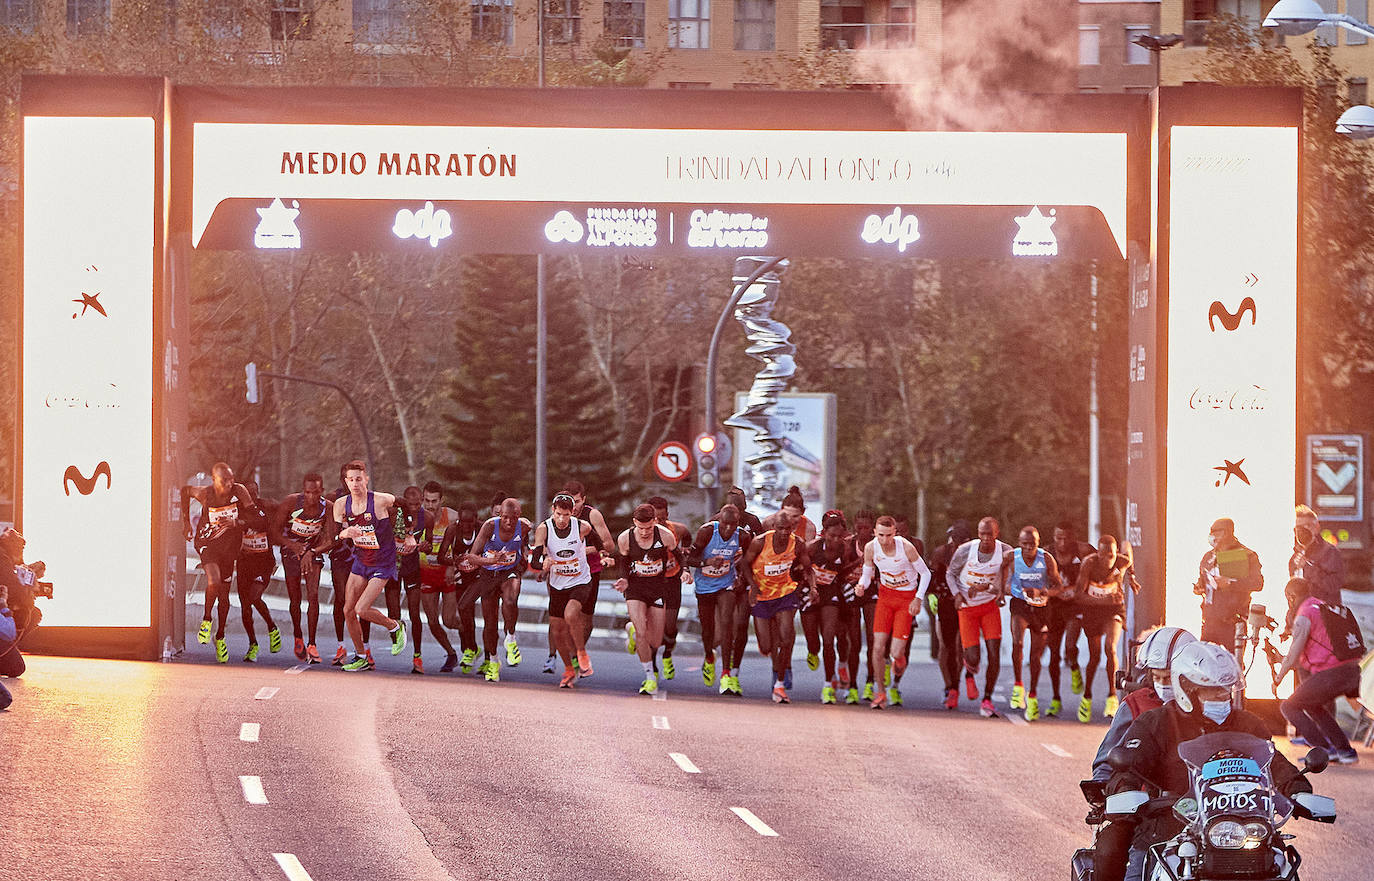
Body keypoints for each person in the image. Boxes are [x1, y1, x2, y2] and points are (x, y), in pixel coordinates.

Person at [1108, 642, 1311, 881]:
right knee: (1136, 873)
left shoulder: (1249, 724)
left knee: (1281, 866)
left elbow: (1273, 762)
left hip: (1245, 827)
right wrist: (1126, 790)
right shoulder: (1156, 722)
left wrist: (1297, 789)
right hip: (1169, 828)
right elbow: (1127, 767)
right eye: (1213, 690)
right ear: (1187, 689)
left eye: (1226, 690)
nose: (1222, 696)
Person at [1088, 626, 1196, 881]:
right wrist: (1115, 793)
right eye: (1157, 676)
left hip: (1205, 806)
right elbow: (1106, 761)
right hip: (1143, 810)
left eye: (1169, 676)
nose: (1163, 684)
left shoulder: (1206, 708)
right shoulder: (1136, 703)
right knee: (1110, 849)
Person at [332, 460, 410, 671]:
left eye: (359, 479)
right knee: (348, 610)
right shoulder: (341, 505)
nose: (356, 483)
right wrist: (345, 533)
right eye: (351, 480)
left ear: (366, 479)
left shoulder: (380, 500)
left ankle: (394, 626)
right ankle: (361, 656)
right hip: (361, 560)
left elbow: (405, 504)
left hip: (383, 562)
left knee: (362, 608)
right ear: (346, 482)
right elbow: (334, 536)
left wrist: (409, 534)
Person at [1274, 577, 1361, 764]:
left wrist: (1278, 678)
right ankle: (1345, 751)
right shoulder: (1322, 606)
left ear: (1291, 596)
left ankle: (1324, 750)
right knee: (1312, 705)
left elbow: (1294, 654)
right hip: (1351, 669)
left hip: (1332, 672)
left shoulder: (1304, 615)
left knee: (1288, 706)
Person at [740, 499, 815, 704]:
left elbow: (808, 567)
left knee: (787, 638)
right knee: (766, 645)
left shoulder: (797, 543)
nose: (784, 532)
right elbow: (744, 563)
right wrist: (752, 586)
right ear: (774, 527)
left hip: (785, 593)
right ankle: (777, 666)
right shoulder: (761, 542)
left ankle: (780, 684)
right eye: (780, 528)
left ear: (792, 528)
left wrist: (813, 587)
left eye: (788, 528)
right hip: (762, 595)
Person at [182, 463, 257, 664]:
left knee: (224, 597)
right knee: (213, 581)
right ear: (214, 480)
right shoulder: (205, 493)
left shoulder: (239, 491)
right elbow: (185, 491)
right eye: (224, 480)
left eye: (231, 479)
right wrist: (186, 522)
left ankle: (220, 636)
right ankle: (207, 619)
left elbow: (255, 518)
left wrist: (238, 523)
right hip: (207, 543)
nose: (229, 483)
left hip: (229, 548)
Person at [855, 514, 928, 709]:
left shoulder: (906, 547)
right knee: (877, 647)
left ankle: (899, 658)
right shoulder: (870, 548)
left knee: (896, 651)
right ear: (874, 533)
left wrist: (918, 598)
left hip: (906, 599)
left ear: (895, 533)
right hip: (886, 598)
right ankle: (880, 692)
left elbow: (926, 573)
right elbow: (868, 573)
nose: (885, 540)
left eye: (888, 535)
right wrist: (861, 585)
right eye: (881, 535)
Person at [530, 493, 600, 687]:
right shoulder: (544, 529)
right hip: (558, 583)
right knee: (558, 630)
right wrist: (543, 564)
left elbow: (600, 544)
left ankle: (582, 652)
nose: (562, 519)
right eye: (558, 514)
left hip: (580, 580)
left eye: (566, 515)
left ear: (572, 513)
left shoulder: (582, 527)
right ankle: (569, 668)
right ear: (553, 511)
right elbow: (534, 560)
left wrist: (599, 554)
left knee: (571, 614)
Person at [459, 498, 532, 682]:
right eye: (505, 518)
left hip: (509, 571)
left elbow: (528, 546)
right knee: (490, 624)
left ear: (519, 516)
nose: (509, 522)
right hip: (489, 574)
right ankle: (493, 660)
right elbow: (472, 557)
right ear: (500, 515)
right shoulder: (490, 527)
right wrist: (491, 561)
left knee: (510, 599)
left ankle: (511, 638)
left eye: (513, 518)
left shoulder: (524, 527)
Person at [685, 503, 753, 695]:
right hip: (705, 586)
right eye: (725, 524)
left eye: (733, 524)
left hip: (726, 585)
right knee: (708, 631)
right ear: (719, 521)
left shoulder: (743, 536)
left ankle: (726, 674)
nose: (729, 529)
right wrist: (707, 562)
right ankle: (708, 656)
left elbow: (747, 560)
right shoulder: (707, 532)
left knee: (726, 624)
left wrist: (741, 577)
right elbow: (689, 559)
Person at [947, 516, 1010, 717]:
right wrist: (957, 594)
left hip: (989, 607)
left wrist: (998, 592)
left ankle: (987, 699)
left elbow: (1009, 581)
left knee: (994, 653)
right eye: (982, 533)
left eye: (989, 534)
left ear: (996, 534)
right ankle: (970, 669)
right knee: (973, 656)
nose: (985, 538)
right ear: (977, 533)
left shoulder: (1006, 552)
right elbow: (950, 574)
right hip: (967, 608)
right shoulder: (966, 550)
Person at [613, 504, 679, 695]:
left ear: (655, 522)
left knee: (656, 642)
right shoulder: (625, 538)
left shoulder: (665, 536)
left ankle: (632, 629)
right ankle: (650, 676)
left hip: (658, 589)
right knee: (642, 633)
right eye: (640, 528)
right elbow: (624, 562)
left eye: (648, 528)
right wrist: (624, 579)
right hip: (635, 589)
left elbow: (679, 558)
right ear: (634, 523)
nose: (644, 532)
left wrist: (684, 573)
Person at [1000, 526, 1062, 721]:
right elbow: (1000, 570)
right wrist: (1002, 590)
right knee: (1017, 642)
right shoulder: (1012, 557)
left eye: (1032, 544)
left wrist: (1043, 592)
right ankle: (1018, 686)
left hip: (1042, 609)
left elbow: (1058, 586)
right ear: (1019, 544)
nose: (1028, 548)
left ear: (1038, 543)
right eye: (1025, 544)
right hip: (1019, 604)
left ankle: (1032, 695)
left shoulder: (1047, 559)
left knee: (1035, 656)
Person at [1075, 535, 1137, 723]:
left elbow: (1128, 547)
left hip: (1114, 610)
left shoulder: (1122, 561)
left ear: (1115, 553)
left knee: (1110, 648)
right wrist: (1102, 599)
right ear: (1098, 554)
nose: (1107, 561)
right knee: (1094, 657)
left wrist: (1132, 575)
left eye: (1111, 556)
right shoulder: (1088, 564)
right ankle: (1086, 696)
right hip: (1092, 610)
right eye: (1103, 556)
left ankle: (1112, 697)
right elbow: (1079, 596)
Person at [273, 473, 331, 663]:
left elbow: (331, 540)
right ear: (303, 490)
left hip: (313, 552)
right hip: (291, 552)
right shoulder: (291, 503)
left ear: (321, 491)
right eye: (307, 492)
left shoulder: (327, 508)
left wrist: (312, 551)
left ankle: (312, 644)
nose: (311, 497)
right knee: (295, 597)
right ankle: (298, 635)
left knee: (313, 595)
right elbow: (273, 531)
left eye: (315, 492)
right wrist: (292, 545)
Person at [807, 511, 862, 705]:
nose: (836, 539)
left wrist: (857, 563)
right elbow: (801, 567)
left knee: (829, 638)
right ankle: (812, 650)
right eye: (832, 536)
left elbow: (844, 571)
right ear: (824, 533)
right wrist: (810, 584)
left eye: (840, 536)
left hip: (832, 593)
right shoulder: (813, 548)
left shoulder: (845, 549)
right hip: (812, 592)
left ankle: (828, 684)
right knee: (814, 640)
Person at [563, 480, 616, 656]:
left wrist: (581, 551)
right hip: (566, 572)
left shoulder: (592, 515)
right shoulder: (559, 514)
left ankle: (577, 652)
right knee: (566, 615)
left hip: (590, 571)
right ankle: (567, 657)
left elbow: (609, 545)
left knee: (586, 618)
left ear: (583, 499)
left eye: (577, 501)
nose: (574, 506)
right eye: (570, 501)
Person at [1192, 517, 1263, 648]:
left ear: (1225, 532)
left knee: (1232, 665)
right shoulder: (1208, 556)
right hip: (1209, 623)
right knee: (1205, 662)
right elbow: (1202, 580)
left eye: (1214, 531)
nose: (1211, 535)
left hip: (1231, 625)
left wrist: (1231, 584)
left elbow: (1257, 583)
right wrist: (1199, 587)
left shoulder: (1246, 555)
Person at [1047, 521, 1093, 716]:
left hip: (1075, 604)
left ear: (1073, 537)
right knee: (1053, 654)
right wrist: (1054, 593)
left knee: (1070, 646)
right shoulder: (1046, 553)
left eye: (1066, 538)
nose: (1063, 542)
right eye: (1059, 538)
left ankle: (1074, 666)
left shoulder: (1084, 550)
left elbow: (1101, 568)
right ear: (1053, 537)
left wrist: (1077, 591)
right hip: (1054, 605)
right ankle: (1055, 699)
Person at [235, 480, 282, 662]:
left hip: (263, 561)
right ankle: (253, 644)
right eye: (248, 493)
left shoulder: (265, 506)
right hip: (245, 561)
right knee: (245, 607)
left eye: (255, 493)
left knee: (255, 597)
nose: (252, 496)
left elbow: (282, 512)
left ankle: (272, 627)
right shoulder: (236, 507)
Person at [416, 481, 460, 673]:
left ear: (441, 500)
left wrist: (452, 565)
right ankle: (451, 654)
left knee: (449, 620)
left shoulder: (451, 516)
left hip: (447, 574)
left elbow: (460, 545)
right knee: (432, 621)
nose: (430, 505)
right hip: (426, 574)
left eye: (434, 501)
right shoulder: (417, 516)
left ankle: (470, 642)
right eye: (427, 500)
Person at [648, 497, 694, 681]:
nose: (657, 523)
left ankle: (667, 654)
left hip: (672, 580)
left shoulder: (677, 529)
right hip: (652, 582)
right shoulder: (642, 532)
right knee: (653, 628)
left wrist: (686, 551)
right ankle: (651, 665)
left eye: (661, 519)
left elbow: (688, 536)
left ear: (667, 515)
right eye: (654, 519)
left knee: (669, 626)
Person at [926, 520, 970, 710]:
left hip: (965, 603)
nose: (957, 544)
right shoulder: (941, 552)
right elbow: (931, 578)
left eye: (961, 541)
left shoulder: (972, 553)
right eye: (954, 540)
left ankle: (955, 685)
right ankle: (948, 686)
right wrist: (931, 597)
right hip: (944, 602)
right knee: (946, 646)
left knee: (960, 647)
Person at [437, 502, 483, 673]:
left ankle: (472, 650)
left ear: (476, 520)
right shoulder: (452, 530)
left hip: (479, 576)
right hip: (462, 575)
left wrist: (477, 561)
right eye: (463, 522)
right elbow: (441, 556)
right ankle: (471, 648)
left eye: (470, 522)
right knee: (465, 614)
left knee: (466, 608)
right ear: (459, 521)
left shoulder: (482, 528)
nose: (466, 526)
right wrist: (454, 561)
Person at [849, 510, 883, 701]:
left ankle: (870, 683)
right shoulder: (848, 544)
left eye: (866, 527)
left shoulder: (878, 545)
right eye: (859, 527)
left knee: (872, 639)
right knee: (854, 642)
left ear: (872, 528)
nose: (862, 531)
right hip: (853, 591)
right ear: (854, 525)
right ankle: (852, 686)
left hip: (872, 592)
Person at [0, 528, 31, 711]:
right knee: (5, 697)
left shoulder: (6, 560)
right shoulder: (3, 561)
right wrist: (4, 605)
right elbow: (8, 632)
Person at [1288, 505, 1345, 606]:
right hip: (1299, 615)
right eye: (1298, 527)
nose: (1302, 531)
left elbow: (1334, 585)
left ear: (1317, 526)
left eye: (1307, 526)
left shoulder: (1329, 552)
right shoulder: (1294, 556)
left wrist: (1308, 567)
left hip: (1322, 615)